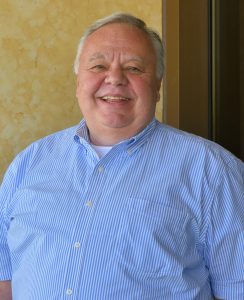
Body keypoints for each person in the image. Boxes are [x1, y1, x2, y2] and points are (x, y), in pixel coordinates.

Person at [0, 12, 243, 300]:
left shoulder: (213, 171)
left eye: (134, 68)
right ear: (78, 81)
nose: (114, 78)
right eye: (99, 65)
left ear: (158, 85)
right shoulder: (29, 163)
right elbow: (6, 281)